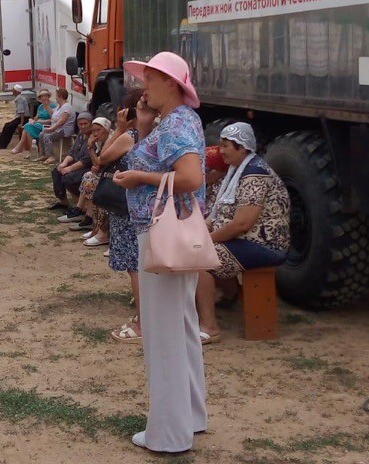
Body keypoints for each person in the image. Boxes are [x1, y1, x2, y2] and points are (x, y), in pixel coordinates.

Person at [111, 51, 207, 453]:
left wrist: (138, 177)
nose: (143, 86)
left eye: (149, 78)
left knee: (163, 333)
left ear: (170, 82)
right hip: (176, 232)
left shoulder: (175, 125)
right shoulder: (183, 120)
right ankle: (190, 416)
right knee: (181, 326)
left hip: (159, 233)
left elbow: (190, 177)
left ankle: (168, 434)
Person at [196, 122, 290, 344]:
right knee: (196, 247)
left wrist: (205, 241)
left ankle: (210, 327)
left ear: (243, 147)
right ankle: (231, 296)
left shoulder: (255, 173)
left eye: (226, 145)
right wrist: (200, 232)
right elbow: (219, 214)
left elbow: (241, 224)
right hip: (244, 241)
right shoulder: (237, 171)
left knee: (198, 260)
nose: (221, 150)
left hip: (263, 244)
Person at [99, 87, 150, 344]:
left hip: (129, 206)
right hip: (150, 206)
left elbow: (103, 158)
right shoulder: (159, 135)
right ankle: (149, 315)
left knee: (136, 266)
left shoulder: (131, 136)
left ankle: (143, 320)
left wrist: (118, 128)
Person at [58, 117, 112, 237]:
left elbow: (97, 162)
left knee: (89, 177)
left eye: (99, 130)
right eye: (94, 131)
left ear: (107, 129)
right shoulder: (96, 141)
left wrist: (90, 148)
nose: (96, 133)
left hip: (112, 173)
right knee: (88, 176)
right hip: (103, 171)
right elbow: (96, 163)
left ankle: (86, 216)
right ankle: (83, 213)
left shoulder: (110, 140)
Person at [48, 112, 94, 210]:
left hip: (87, 167)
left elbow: (87, 160)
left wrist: (69, 168)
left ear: (91, 123)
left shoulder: (93, 137)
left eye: (85, 123)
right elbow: (72, 152)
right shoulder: (81, 135)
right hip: (77, 163)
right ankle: (63, 201)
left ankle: (80, 206)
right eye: (80, 124)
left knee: (69, 177)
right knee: (56, 171)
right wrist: (64, 164)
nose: (83, 126)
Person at [11, 90, 55, 157]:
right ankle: (31, 151)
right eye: (42, 96)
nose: (44, 97)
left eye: (45, 95)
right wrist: (33, 120)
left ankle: (20, 145)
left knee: (27, 126)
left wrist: (47, 107)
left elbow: (52, 119)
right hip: (38, 123)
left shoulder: (52, 105)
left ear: (48, 96)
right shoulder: (40, 106)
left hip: (46, 124)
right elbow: (36, 117)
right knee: (28, 130)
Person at [37, 87, 76, 163]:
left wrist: (51, 129)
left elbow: (61, 121)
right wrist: (46, 105)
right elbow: (52, 114)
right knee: (41, 134)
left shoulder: (66, 107)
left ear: (60, 96)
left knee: (47, 136)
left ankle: (51, 156)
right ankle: (44, 155)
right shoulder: (59, 107)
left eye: (56, 96)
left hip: (64, 130)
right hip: (57, 129)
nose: (55, 98)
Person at [0, 85, 35, 150]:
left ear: (15, 91)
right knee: (7, 125)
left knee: (9, 128)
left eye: (13, 89)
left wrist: (21, 123)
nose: (12, 91)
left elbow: (21, 112)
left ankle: (2, 145)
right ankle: (0, 142)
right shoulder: (20, 97)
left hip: (23, 118)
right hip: (21, 118)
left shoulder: (19, 99)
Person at [204, 145, 230, 216]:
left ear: (221, 170)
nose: (203, 174)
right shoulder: (209, 183)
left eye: (207, 170)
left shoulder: (221, 187)